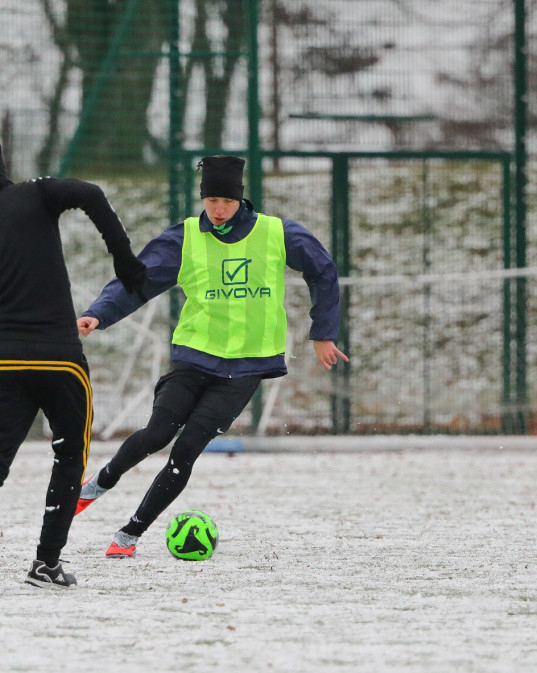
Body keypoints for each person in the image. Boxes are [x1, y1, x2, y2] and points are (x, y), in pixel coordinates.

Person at [74, 155, 347, 558]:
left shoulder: (277, 233)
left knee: (186, 451)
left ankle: (128, 536)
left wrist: (323, 333)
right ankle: (98, 484)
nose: (218, 209)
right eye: (211, 200)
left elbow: (323, 270)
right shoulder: (184, 238)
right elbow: (138, 280)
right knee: (157, 434)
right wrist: (98, 312)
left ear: (241, 200)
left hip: (246, 367)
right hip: (194, 357)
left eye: (226, 201)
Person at [0, 130, 147, 590]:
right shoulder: (35, 194)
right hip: (61, 362)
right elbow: (91, 193)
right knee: (68, 459)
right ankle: (46, 563)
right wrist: (125, 262)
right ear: (0, 164)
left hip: (3, 366)